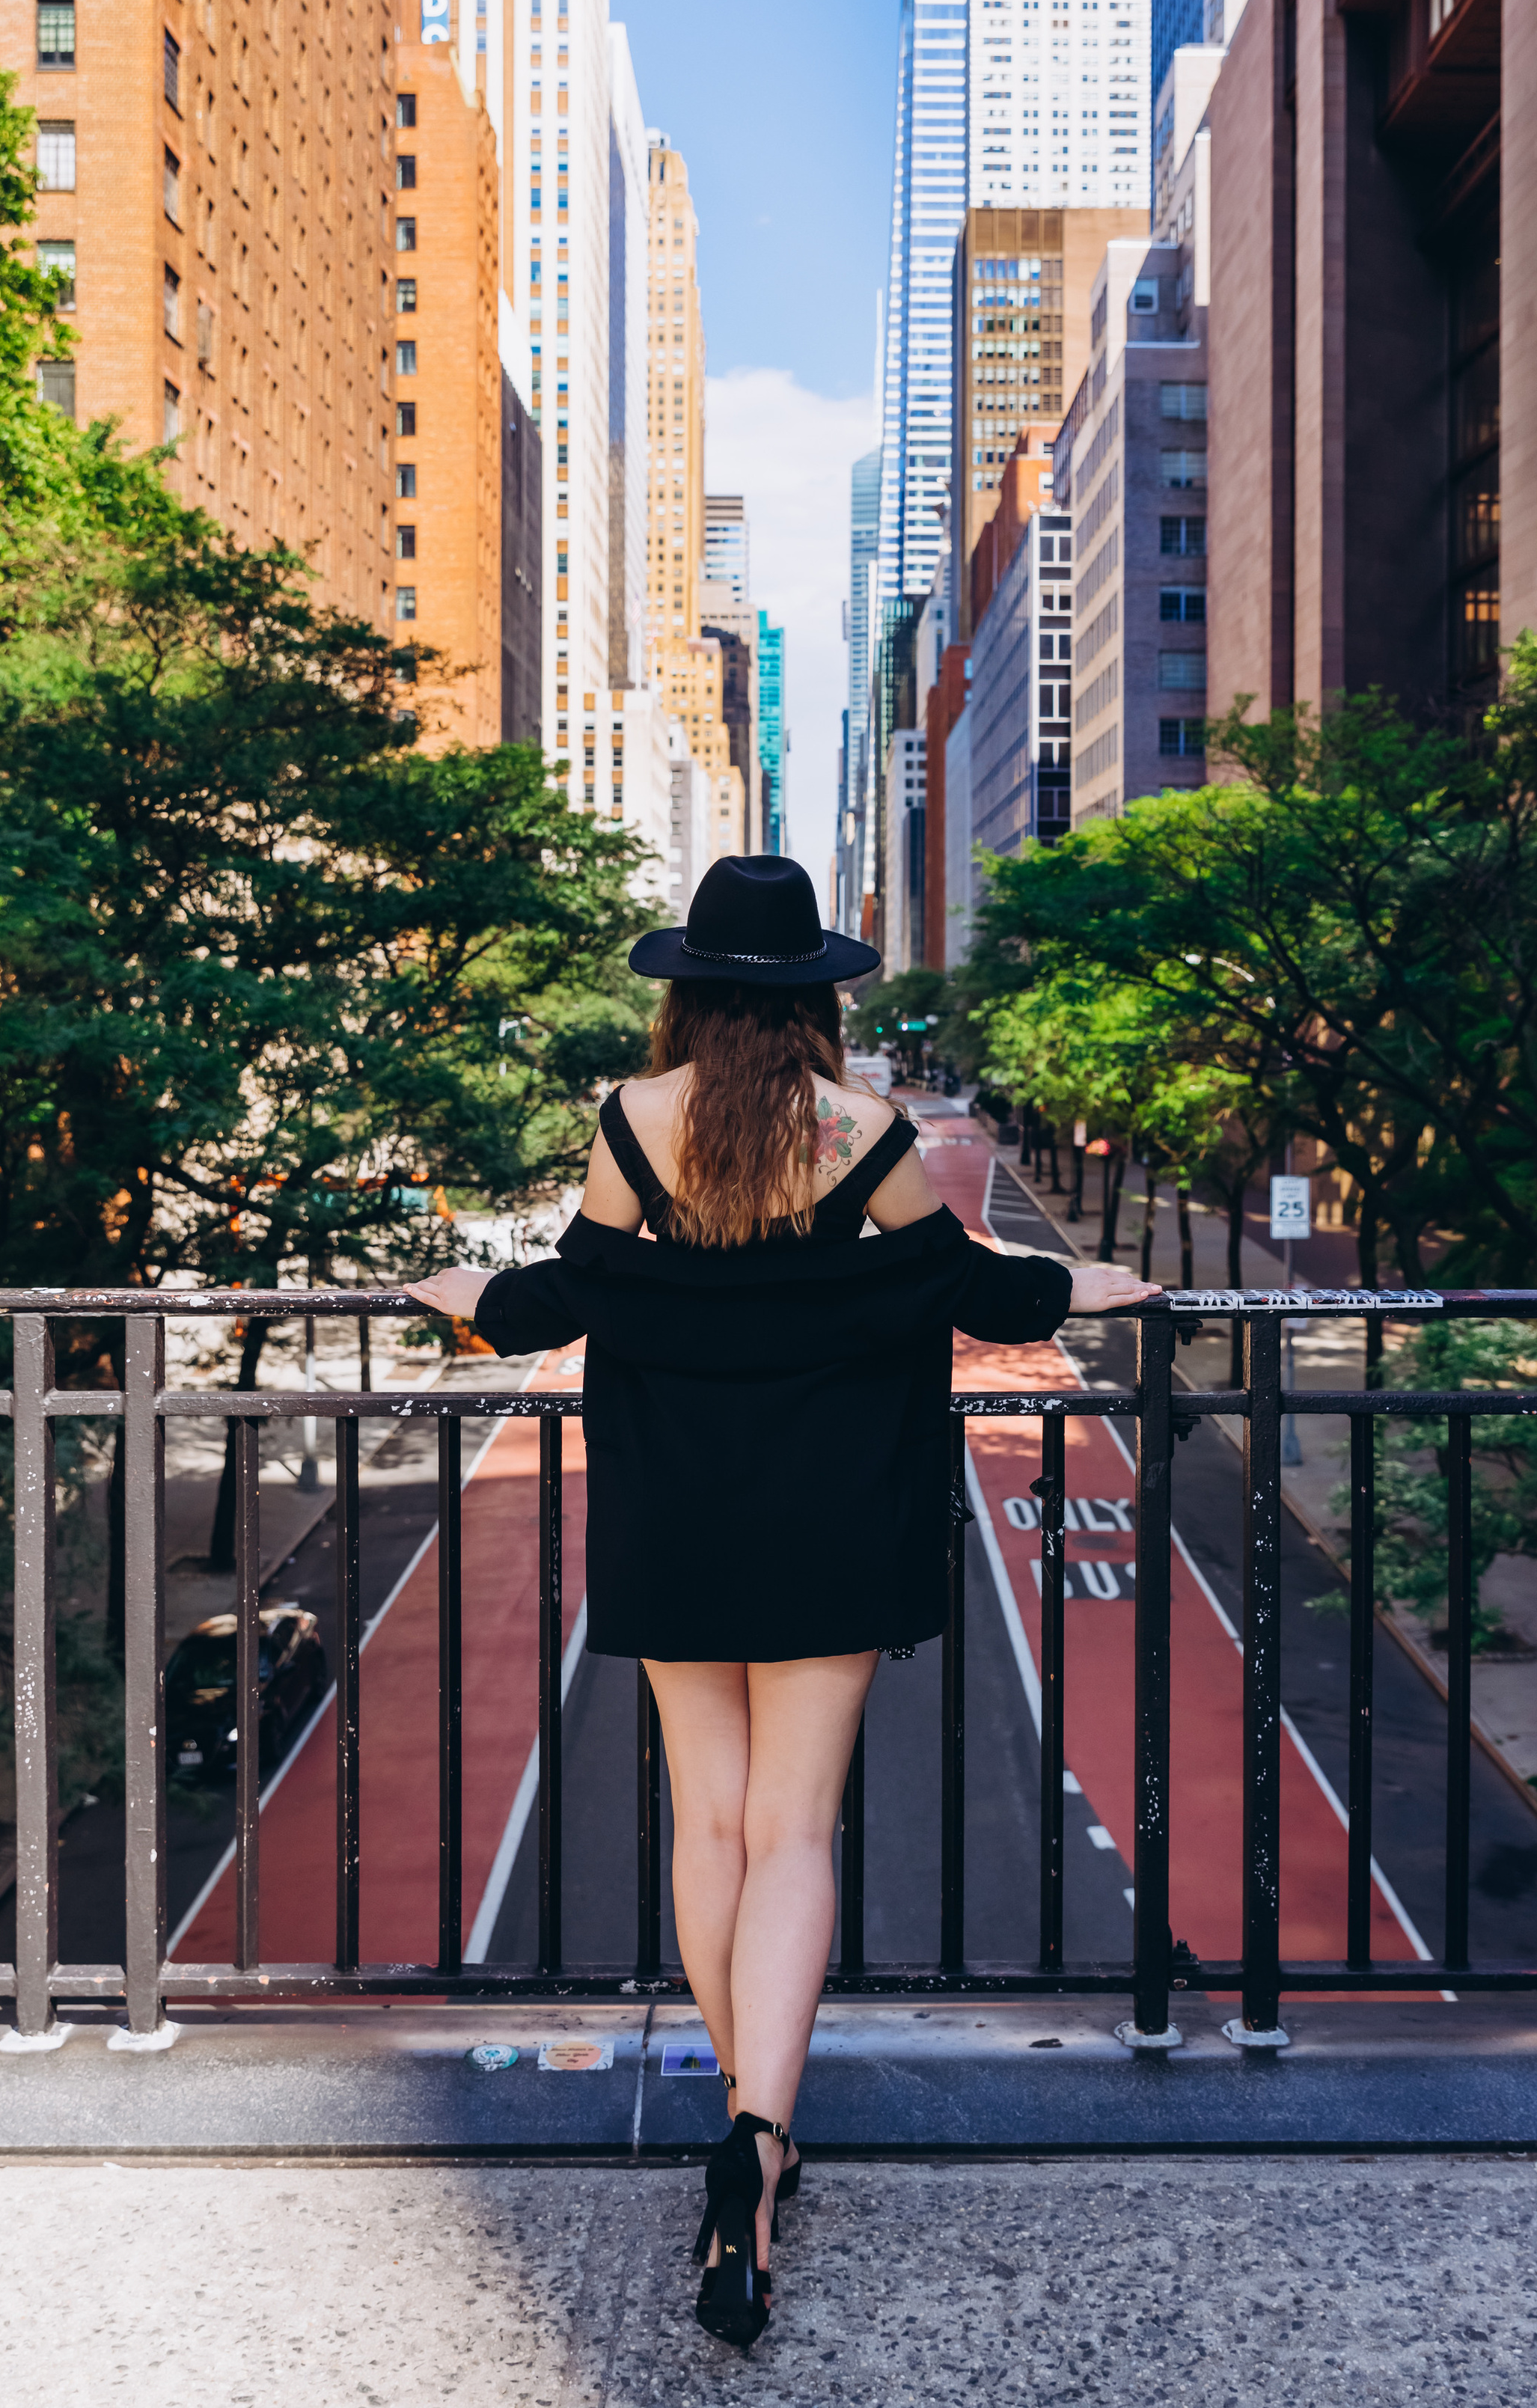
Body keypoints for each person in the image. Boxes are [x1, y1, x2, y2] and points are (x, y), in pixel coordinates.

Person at [409, 855, 1152, 2350]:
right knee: (797, 1831)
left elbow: (571, 1293)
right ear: (817, 993)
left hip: (677, 1514)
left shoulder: (634, 1121)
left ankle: (740, 2121)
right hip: (830, 1514)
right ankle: (756, 2131)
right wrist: (1095, 1286)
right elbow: (977, 1287)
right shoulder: (862, 1130)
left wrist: (461, 1295)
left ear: (684, 986)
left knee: (713, 1824)